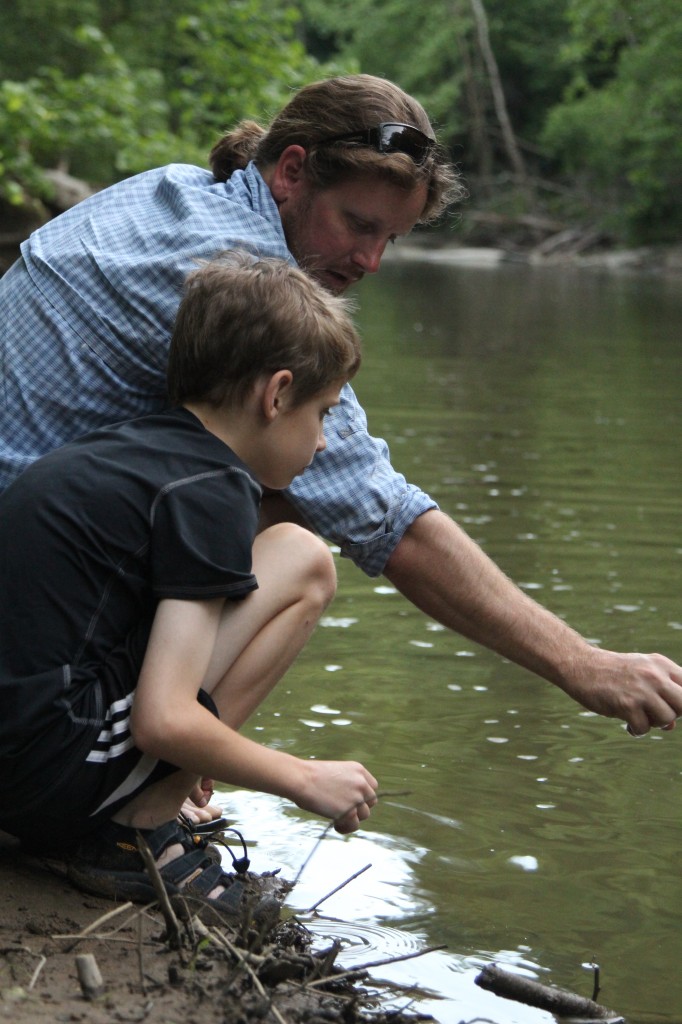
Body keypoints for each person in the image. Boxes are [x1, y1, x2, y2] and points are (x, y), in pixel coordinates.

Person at [0, 71, 680, 772]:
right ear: (292, 171)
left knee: (261, 479)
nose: (371, 261)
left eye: (392, 237)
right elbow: (385, 519)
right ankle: (137, 804)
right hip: (25, 640)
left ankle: (159, 753)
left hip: (29, 564)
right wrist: (583, 664)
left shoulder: (171, 190)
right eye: (359, 225)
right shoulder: (237, 274)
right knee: (297, 548)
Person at [0, 251, 378, 910]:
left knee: (292, 549)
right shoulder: (215, 488)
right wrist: (304, 778)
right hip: (35, 775)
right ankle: (135, 833)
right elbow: (161, 720)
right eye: (324, 413)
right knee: (305, 561)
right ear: (278, 393)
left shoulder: (135, 449)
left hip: (20, 755)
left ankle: (147, 797)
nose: (322, 443)